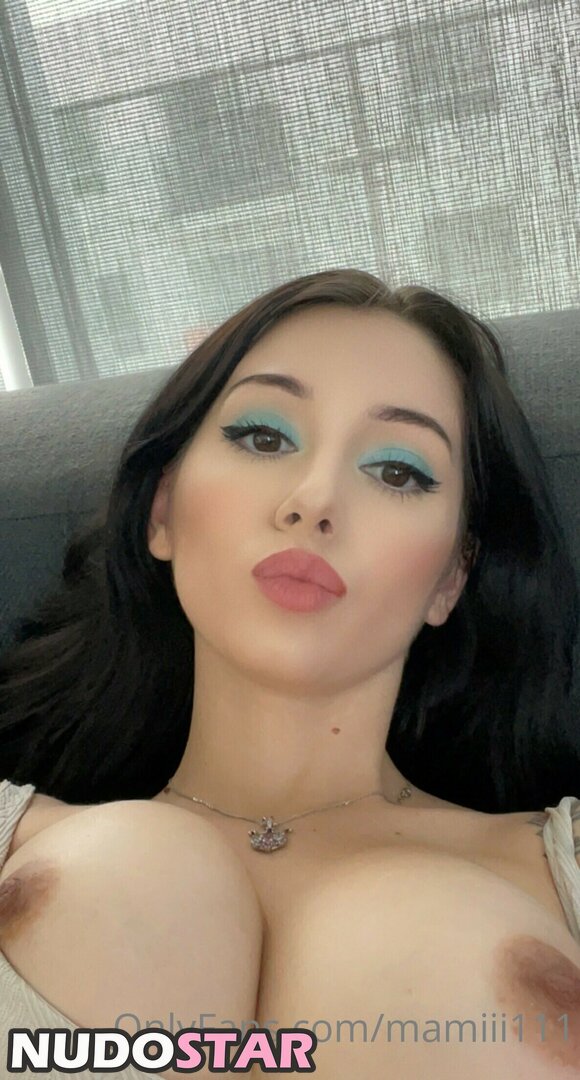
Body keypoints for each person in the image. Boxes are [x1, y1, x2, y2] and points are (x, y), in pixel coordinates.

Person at [0, 268, 579, 1078]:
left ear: (452, 576)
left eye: (397, 471)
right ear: (162, 511)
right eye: (264, 437)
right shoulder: (18, 833)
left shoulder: (560, 869)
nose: (314, 500)